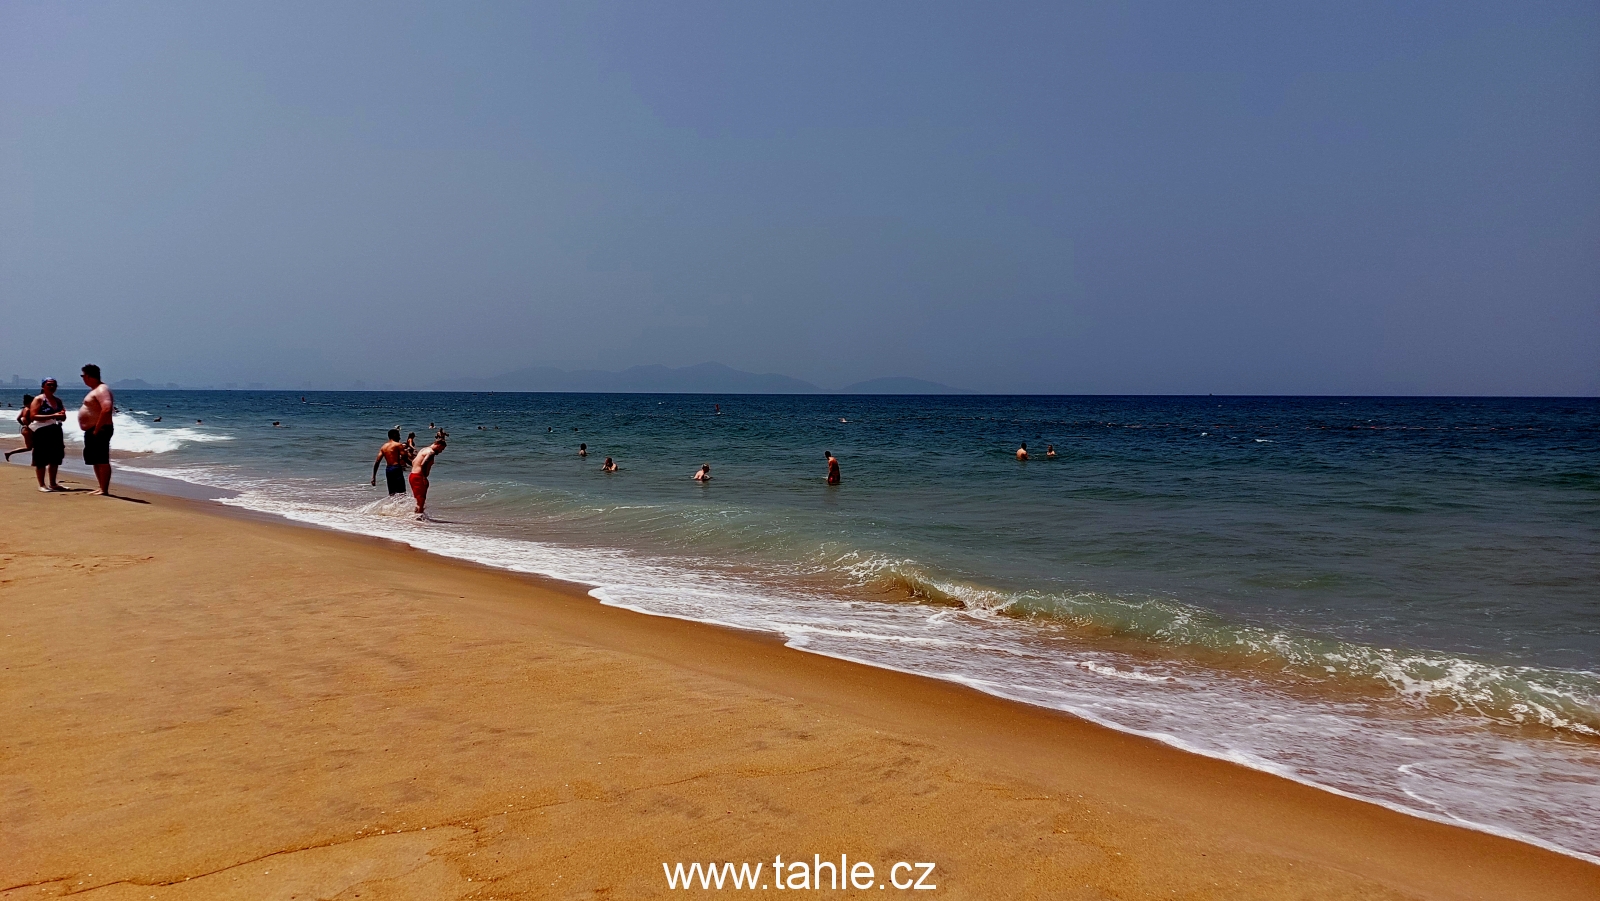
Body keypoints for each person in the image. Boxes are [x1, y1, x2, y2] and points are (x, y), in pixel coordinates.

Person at [77, 365, 116, 495]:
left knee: (102, 459)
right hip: (93, 429)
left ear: (88, 376)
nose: (83, 379)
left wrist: (97, 428)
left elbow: (107, 408)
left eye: (83, 376)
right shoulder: (96, 389)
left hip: (100, 429)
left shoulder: (101, 389)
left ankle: (104, 489)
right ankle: (101, 487)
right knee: (95, 459)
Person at [28, 380, 68, 491]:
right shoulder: (39, 399)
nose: (52, 387)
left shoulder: (58, 401)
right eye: (49, 385)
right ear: (43, 386)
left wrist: (61, 415)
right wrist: (53, 415)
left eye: (54, 385)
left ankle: (53, 483)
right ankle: (42, 484)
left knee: (55, 458)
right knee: (41, 458)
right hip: (41, 430)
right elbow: (33, 416)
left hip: (55, 429)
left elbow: (63, 417)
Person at [410, 437, 446, 518]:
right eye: (442, 449)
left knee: (419, 501)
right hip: (418, 477)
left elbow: (413, 462)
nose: (441, 451)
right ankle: (418, 522)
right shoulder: (431, 452)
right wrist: (423, 477)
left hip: (413, 475)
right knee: (421, 502)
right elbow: (424, 463)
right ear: (438, 445)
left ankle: (416, 518)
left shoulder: (424, 449)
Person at [371, 428, 410, 495]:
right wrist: (414, 464)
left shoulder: (383, 447)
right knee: (402, 492)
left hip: (388, 469)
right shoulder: (398, 445)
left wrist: (374, 477)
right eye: (398, 435)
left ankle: (393, 505)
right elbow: (404, 457)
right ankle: (401, 505)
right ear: (394, 435)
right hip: (396, 468)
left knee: (392, 492)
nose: (400, 438)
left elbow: (377, 462)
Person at [4, 394, 34, 461]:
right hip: (29, 430)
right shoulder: (29, 410)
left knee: (31, 447)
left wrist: (23, 425)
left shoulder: (23, 409)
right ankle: (9, 453)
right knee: (30, 447)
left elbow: (18, 418)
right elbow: (28, 419)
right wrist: (27, 425)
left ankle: (9, 453)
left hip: (24, 429)